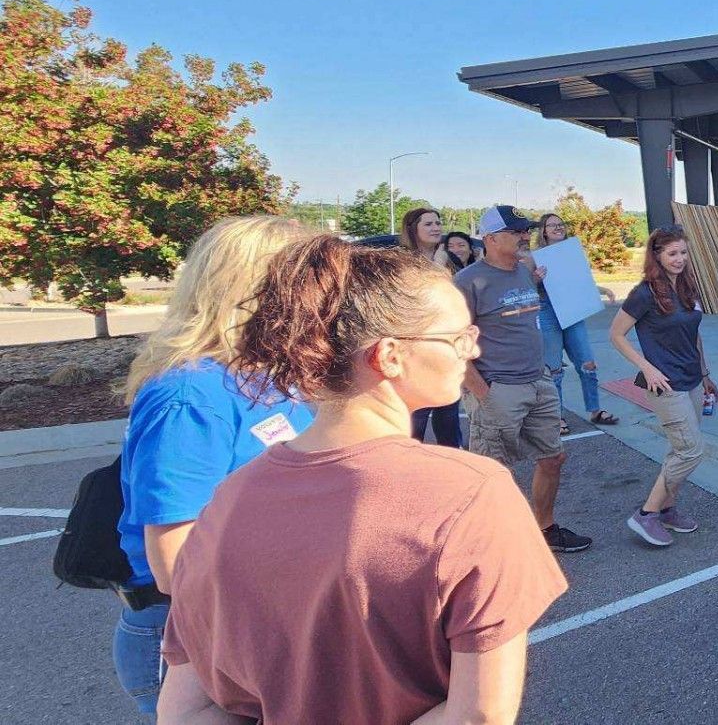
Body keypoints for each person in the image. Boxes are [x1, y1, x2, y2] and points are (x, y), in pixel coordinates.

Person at [155, 234, 566, 724]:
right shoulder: (473, 493)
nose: (471, 350)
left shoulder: (229, 499)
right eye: (458, 337)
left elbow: (188, 708)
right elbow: (479, 715)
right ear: (389, 355)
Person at [112, 215, 314, 717]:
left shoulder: (271, 376)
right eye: (312, 279)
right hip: (198, 631)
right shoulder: (189, 394)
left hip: (266, 616)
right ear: (260, 289)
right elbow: (172, 561)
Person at [456, 205, 594, 553]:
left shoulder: (524, 269)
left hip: (538, 381)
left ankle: (544, 529)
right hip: (499, 388)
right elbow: (451, 342)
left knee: (553, 458)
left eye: (524, 230)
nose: (524, 236)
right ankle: (489, 544)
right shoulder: (468, 281)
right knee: (492, 472)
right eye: (515, 231)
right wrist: (483, 394)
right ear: (489, 238)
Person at [609, 227, 718, 547]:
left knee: (679, 449)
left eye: (683, 252)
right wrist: (647, 367)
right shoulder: (644, 293)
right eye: (672, 253)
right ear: (656, 255)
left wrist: (705, 372)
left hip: (692, 378)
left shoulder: (686, 287)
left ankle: (667, 509)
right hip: (665, 383)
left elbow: (693, 333)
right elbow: (616, 335)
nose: (679, 259)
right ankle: (646, 513)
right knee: (690, 450)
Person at [534, 213, 618, 427]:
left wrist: (601, 290)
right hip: (547, 311)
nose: (557, 228)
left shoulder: (572, 253)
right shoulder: (533, 256)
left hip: (572, 310)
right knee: (554, 370)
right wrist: (535, 279)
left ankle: (595, 410)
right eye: (551, 225)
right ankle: (557, 417)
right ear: (543, 230)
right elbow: (525, 286)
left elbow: (578, 281)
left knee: (588, 363)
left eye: (560, 224)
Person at [401, 207, 462, 448]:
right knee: (417, 416)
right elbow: (420, 296)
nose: (436, 227)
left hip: (448, 344)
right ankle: (407, 465)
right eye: (428, 224)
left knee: (448, 414)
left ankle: (451, 461)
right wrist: (437, 266)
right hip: (416, 347)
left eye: (438, 222)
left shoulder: (450, 258)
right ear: (412, 229)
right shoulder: (403, 260)